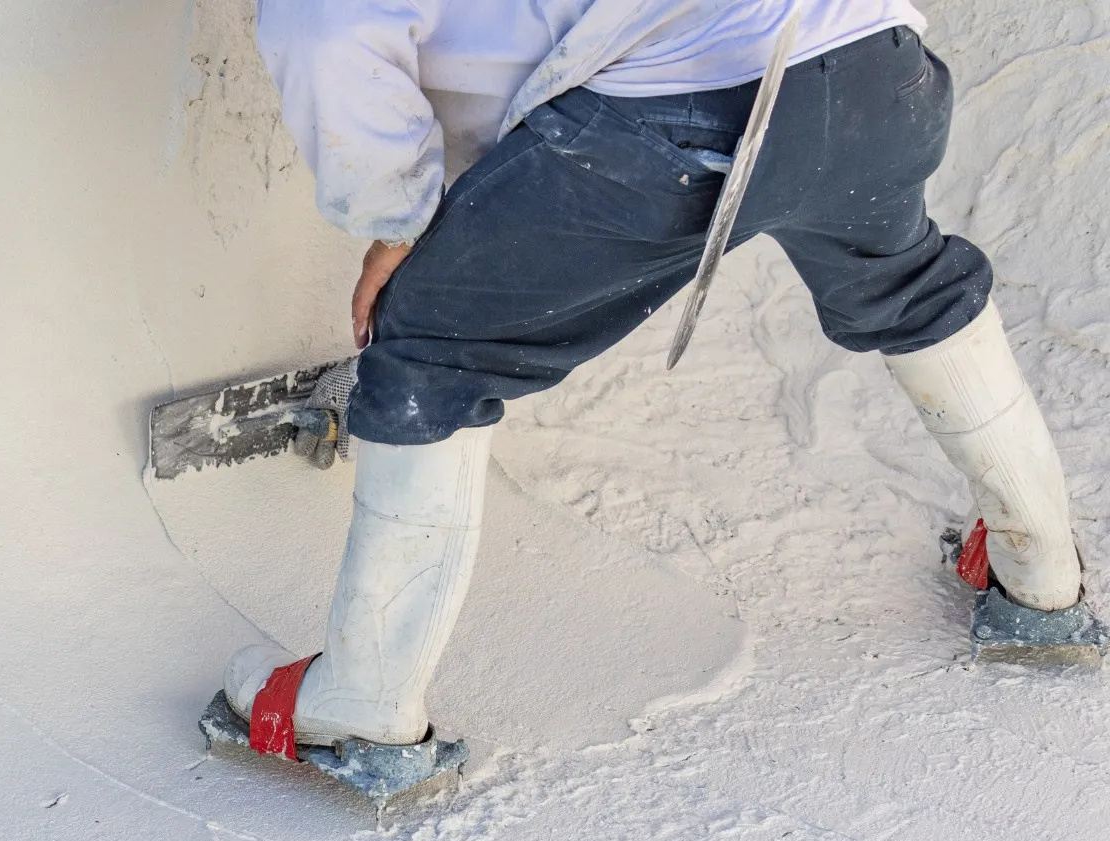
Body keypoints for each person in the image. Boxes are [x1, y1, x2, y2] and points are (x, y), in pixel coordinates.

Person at [222, 0, 1100, 758]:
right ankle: (1041, 575)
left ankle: (362, 705)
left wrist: (393, 222)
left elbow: (329, 34)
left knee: (431, 348)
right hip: (872, 57)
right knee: (910, 283)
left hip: (686, 107)